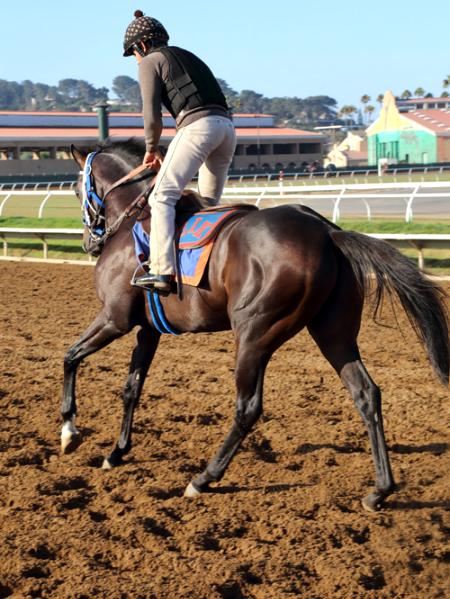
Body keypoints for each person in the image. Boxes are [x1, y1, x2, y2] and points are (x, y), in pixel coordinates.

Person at [123, 10, 236, 292]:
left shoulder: (150, 61)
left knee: (162, 196)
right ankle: (209, 265)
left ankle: (162, 271)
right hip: (227, 128)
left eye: (134, 54)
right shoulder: (189, 55)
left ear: (143, 46)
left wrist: (152, 148)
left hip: (198, 127)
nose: (136, 60)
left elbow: (151, 114)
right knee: (209, 202)